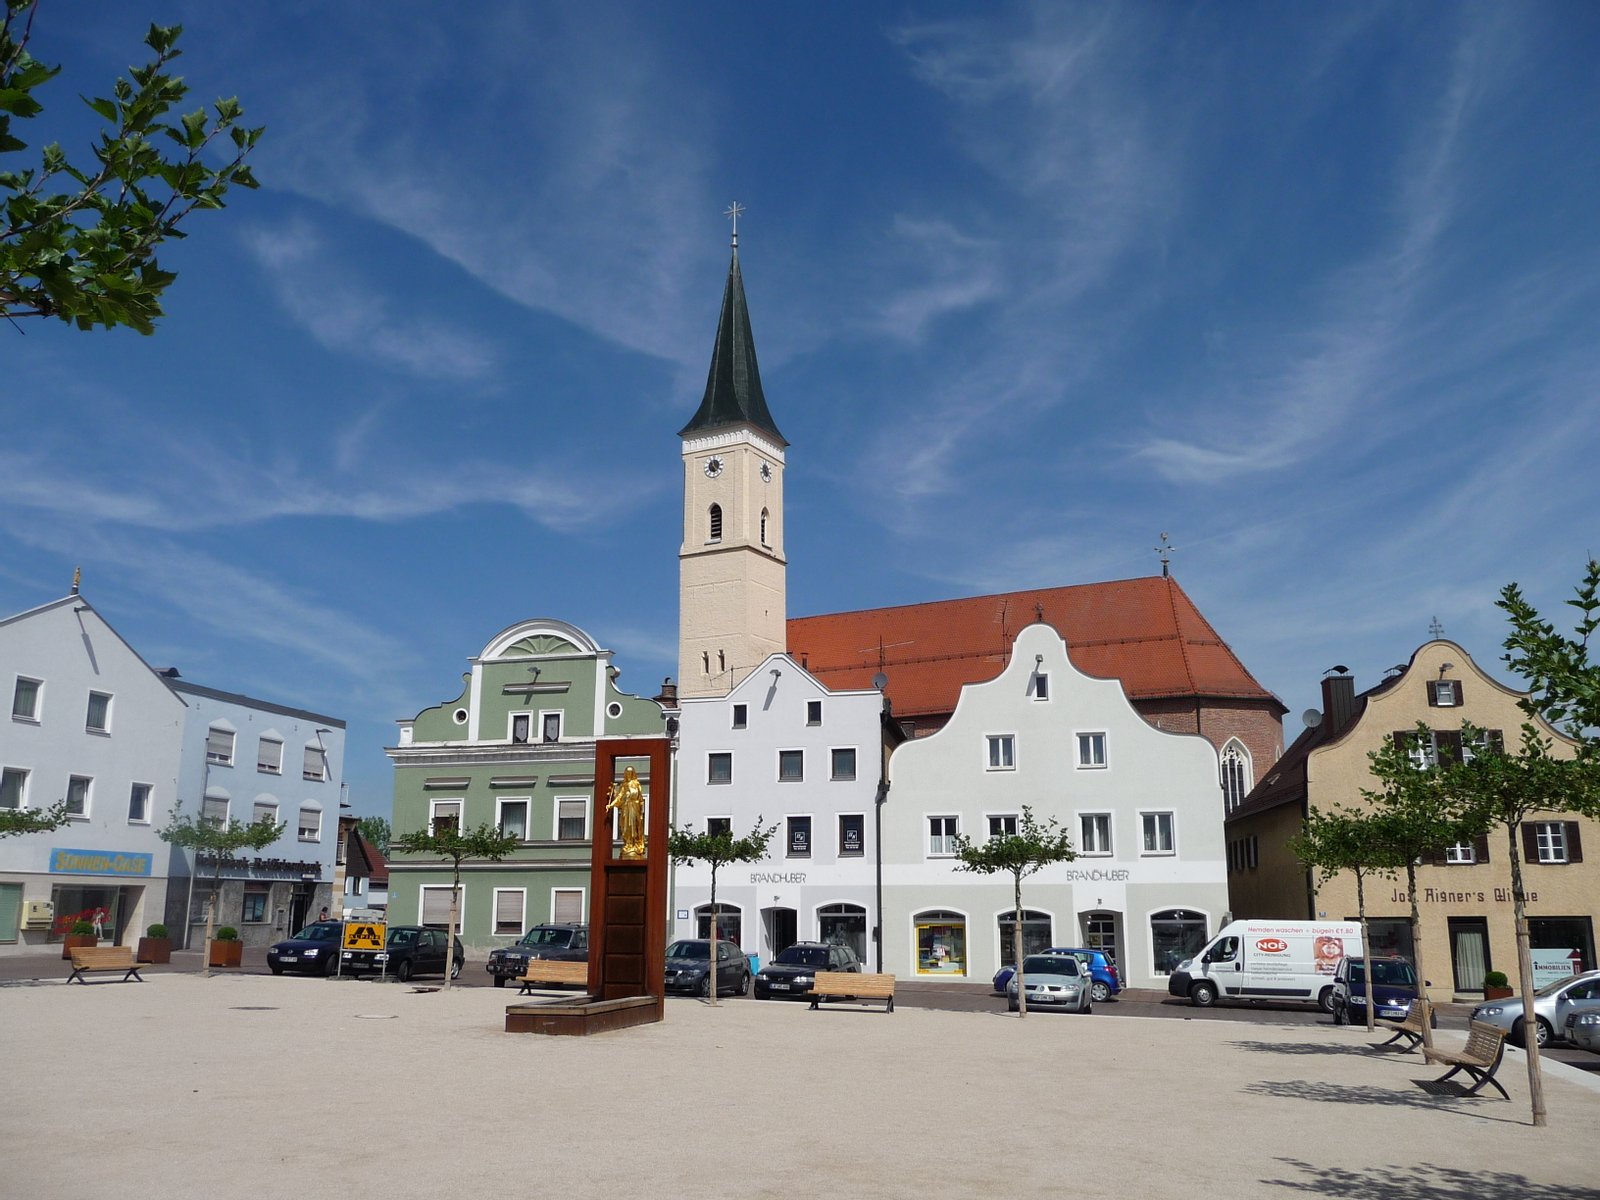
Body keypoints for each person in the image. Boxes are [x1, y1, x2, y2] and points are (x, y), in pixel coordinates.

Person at [605, 766, 647, 859]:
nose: (628, 775)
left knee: (633, 826)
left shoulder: (636, 784)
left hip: (634, 808)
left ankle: (634, 844)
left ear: (633, 774)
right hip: (626, 809)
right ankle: (628, 844)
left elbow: (639, 798)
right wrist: (611, 805)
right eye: (627, 773)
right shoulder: (623, 785)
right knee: (625, 827)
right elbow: (619, 797)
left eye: (630, 773)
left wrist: (639, 808)